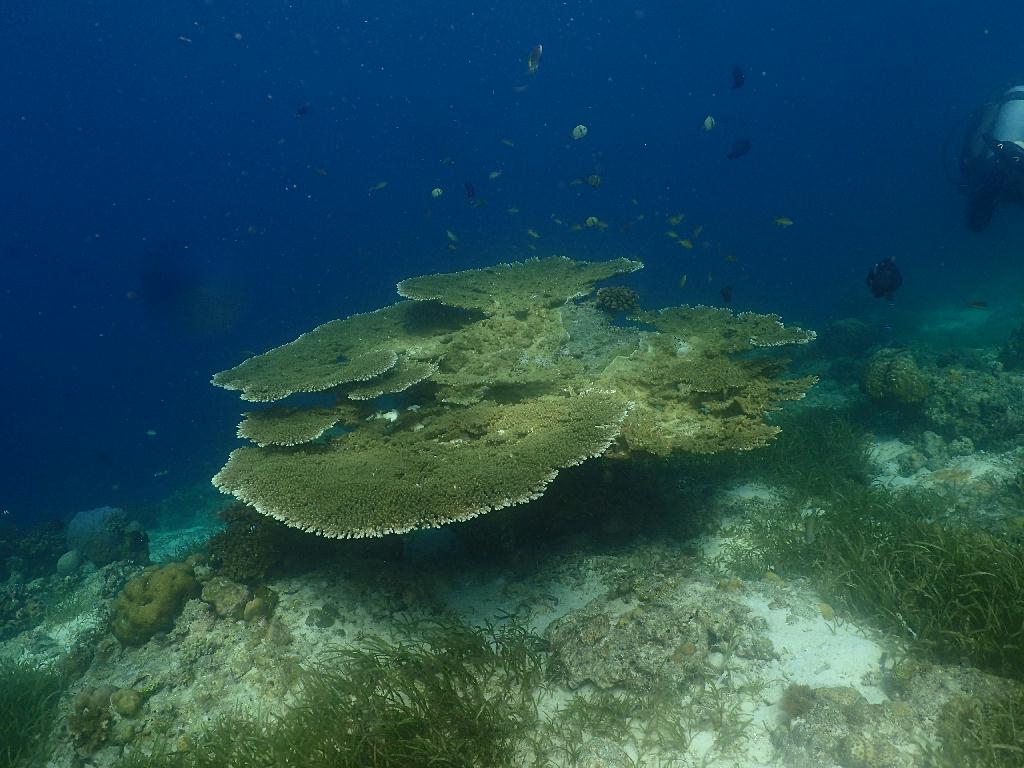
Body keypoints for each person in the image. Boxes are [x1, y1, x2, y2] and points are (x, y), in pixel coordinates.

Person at [960, 86, 1024, 231]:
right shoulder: (975, 172)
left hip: (1001, 160)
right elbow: (981, 136)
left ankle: (1011, 158)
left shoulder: (978, 175)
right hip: (1002, 158)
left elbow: (981, 136)